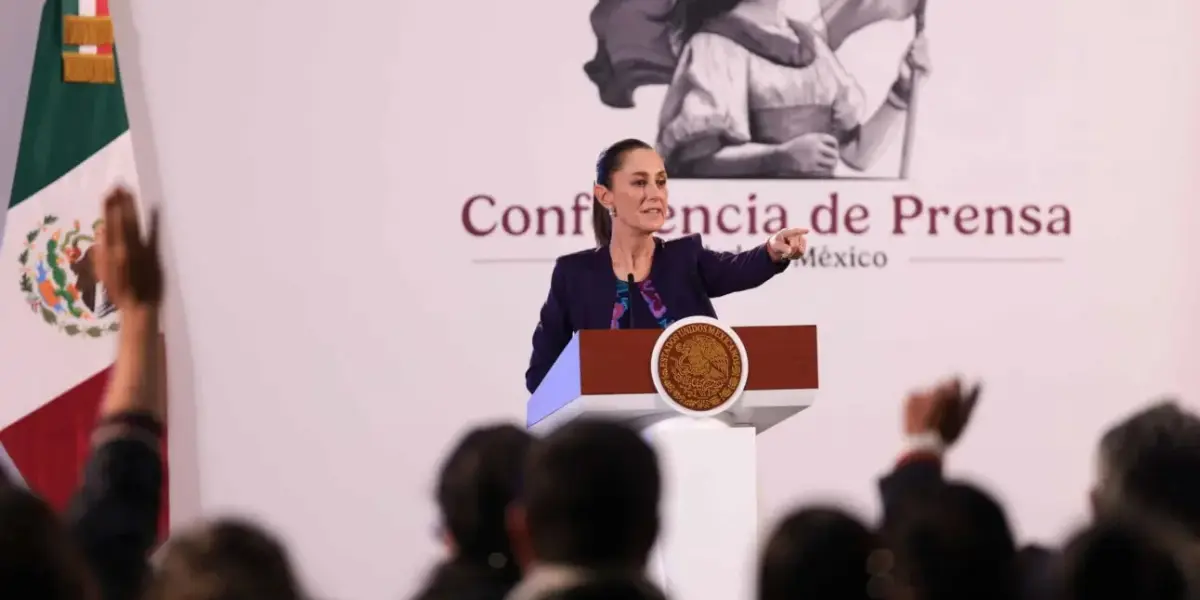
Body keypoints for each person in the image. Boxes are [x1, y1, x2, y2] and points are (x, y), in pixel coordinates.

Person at [524, 138, 807, 393]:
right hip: (607, 438)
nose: (655, 194)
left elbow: (738, 268)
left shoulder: (686, 258)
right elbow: (541, 376)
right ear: (604, 195)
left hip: (690, 428)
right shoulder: (574, 275)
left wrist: (772, 249)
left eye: (661, 182)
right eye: (639, 182)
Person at [655, 0, 931, 178]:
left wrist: (902, 89)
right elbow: (693, 163)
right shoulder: (714, 46)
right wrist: (781, 156)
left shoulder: (812, 45)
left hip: (822, 229)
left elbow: (857, 155)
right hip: (751, 232)